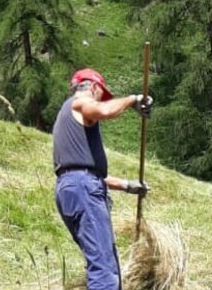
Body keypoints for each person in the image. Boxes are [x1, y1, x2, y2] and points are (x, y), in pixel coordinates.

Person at [52, 67, 152, 290]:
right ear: (94, 87)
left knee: (104, 263)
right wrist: (133, 99)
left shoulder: (66, 121)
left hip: (75, 189)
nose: (101, 99)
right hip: (83, 190)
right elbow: (104, 111)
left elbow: (87, 175)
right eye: (101, 94)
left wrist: (128, 186)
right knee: (104, 272)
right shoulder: (79, 104)